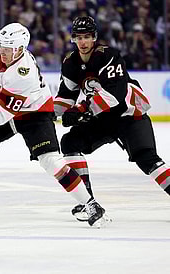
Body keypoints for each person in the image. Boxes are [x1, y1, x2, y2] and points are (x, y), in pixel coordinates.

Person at [0, 23, 110, 228]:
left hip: (35, 114)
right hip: (8, 109)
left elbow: (1, 113)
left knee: (50, 161)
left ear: (20, 49)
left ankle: (91, 205)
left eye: (9, 49)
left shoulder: (23, 73)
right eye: (2, 47)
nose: (4, 52)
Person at [54, 16, 170, 222]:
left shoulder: (109, 56)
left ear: (94, 38)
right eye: (79, 37)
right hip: (102, 118)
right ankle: (86, 200)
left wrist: (80, 109)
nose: (83, 42)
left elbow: (114, 96)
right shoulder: (71, 63)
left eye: (87, 37)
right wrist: (46, 113)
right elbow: (65, 97)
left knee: (148, 160)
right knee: (70, 142)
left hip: (128, 115)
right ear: (73, 39)